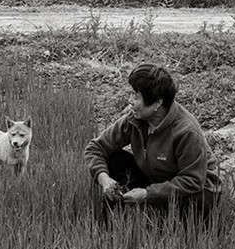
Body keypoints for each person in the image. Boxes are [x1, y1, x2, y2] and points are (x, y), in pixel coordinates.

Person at [85, 63, 222, 221]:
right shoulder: (134, 119)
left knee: (196, 204)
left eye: (136, 97)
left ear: (157, 103)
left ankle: (172, 225)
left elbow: (193, 180)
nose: (130, 101)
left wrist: (148, 194)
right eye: (131, 94)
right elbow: (95, 148)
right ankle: (114, 225)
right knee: (113, 159)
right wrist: (104, 179)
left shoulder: (186, 132)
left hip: (193, 190)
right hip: (157, 179)